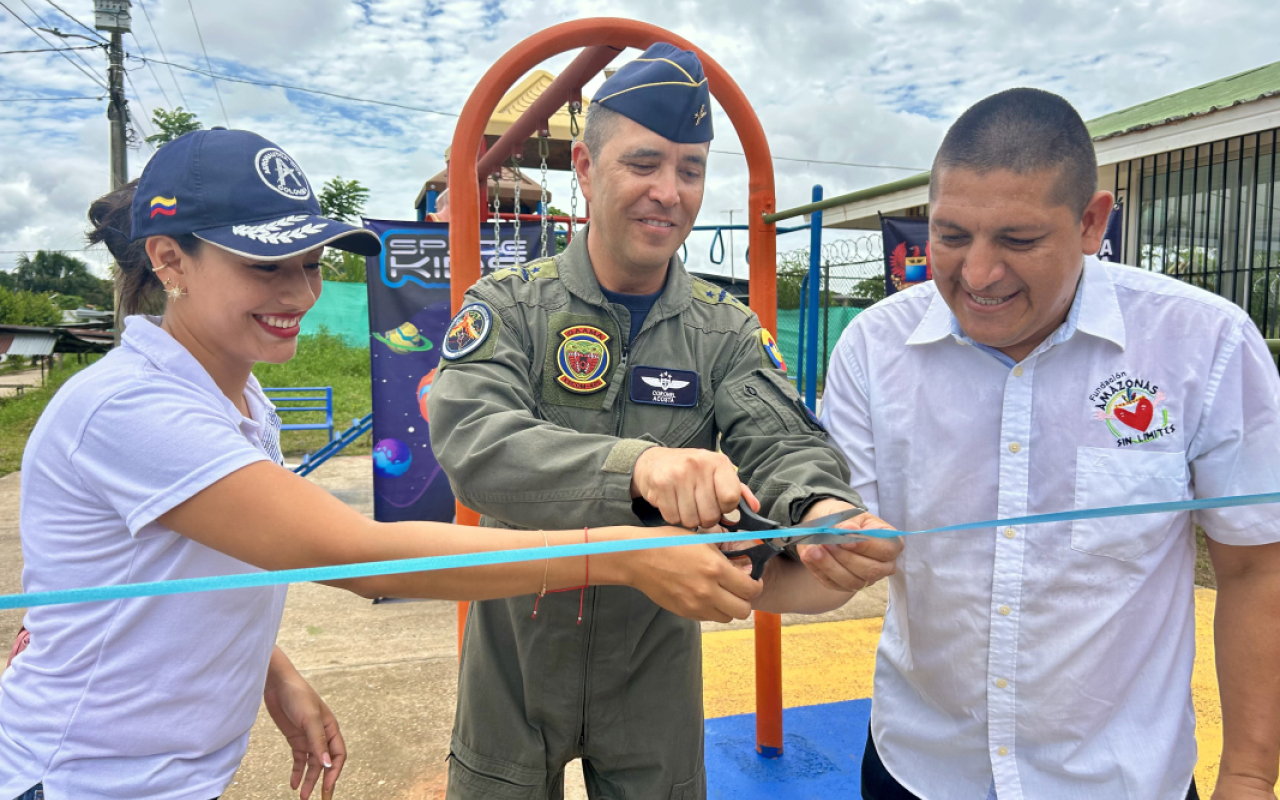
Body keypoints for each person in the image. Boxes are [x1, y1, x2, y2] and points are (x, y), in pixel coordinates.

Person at [0, 129, 763, 800]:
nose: (299, 291)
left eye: (311, 262)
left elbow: (180, 574)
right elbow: (362, 558)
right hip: (81, 774)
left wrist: (274, 673)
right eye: (267, 267)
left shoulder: (238, 399)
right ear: (170, 260)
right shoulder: (132, 409)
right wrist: (622, 556)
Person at [427, 43, 897, 800]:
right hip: (512, 665)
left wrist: (821, 508)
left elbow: (778, 440)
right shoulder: (509, 307)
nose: (669, 192)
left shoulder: (724, 332)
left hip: (654, 670)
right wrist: (641, 469)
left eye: (690, 169)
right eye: (644, 163)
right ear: (584, 166)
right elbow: (475, 446)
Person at [809, 88, 1280, 799]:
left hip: (1120, 779)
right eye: (951, 236)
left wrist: (1247, 775)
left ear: (1093, 222)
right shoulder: (874, 350)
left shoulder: (1203, 345)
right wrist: (781, 538)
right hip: (922, 770)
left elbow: (1255, 569)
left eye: (1018, 240)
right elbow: (832, 547)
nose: (978, 274)